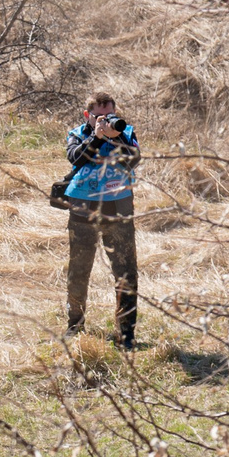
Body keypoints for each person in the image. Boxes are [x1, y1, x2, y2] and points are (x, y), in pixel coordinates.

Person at [62, 92, 140, 348]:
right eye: (99, 116)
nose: (106, 121)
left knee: (125, 272)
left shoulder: (125, 132)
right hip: (83, 209)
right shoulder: (77, 134)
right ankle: (75, 324)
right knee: (79, 270)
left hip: (118, 209)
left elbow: (134, 160)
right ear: (88, 115)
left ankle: (126, 334)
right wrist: (97, 137)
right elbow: (76, 158)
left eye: (110, 115)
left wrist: (115, 137)